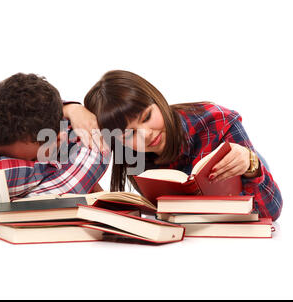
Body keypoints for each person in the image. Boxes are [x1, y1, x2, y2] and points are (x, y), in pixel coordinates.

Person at [77, 70, 282, 220]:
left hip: (246, 176)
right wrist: (71, 109)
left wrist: (251, 163)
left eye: (147, 117)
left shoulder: (215, 121)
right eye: (129, 133)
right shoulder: (129, 153)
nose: (146, 135)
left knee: (250, 160)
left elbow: (270, 213)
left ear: (156, 100)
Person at [0, 73, 109, 199]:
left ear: (57, 140)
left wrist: (70, 108)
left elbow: (55, 194)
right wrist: (70, 107)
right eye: (0, 156)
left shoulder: (90, 144)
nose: (7, 163)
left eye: (31, 159)